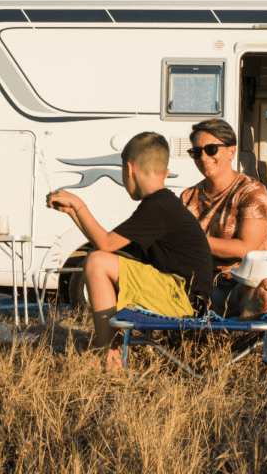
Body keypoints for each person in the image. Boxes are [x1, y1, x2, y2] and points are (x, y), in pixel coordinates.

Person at [46, 132, 213, 369]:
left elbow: (105, 245)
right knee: (101, 260)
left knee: (96, 261)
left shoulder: (158, 206)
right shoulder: (162, 204)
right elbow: (112, 247)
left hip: (184, 299)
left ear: (129, 169)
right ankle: (111, 349)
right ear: (164, 173)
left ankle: (109, 355)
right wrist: (73, 213)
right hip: (183, 295)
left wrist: (78, 204)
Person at [179, 118, 267, 320]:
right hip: (205, 283)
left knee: (250, 288)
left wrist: (193, 241)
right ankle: (236, 315)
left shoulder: (251, 192)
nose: (203, 157)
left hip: (244, 279)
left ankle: (248, 307)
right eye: (196, 152)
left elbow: (246, 249)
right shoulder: (188, 197)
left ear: (231, 152)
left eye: (211, 149)